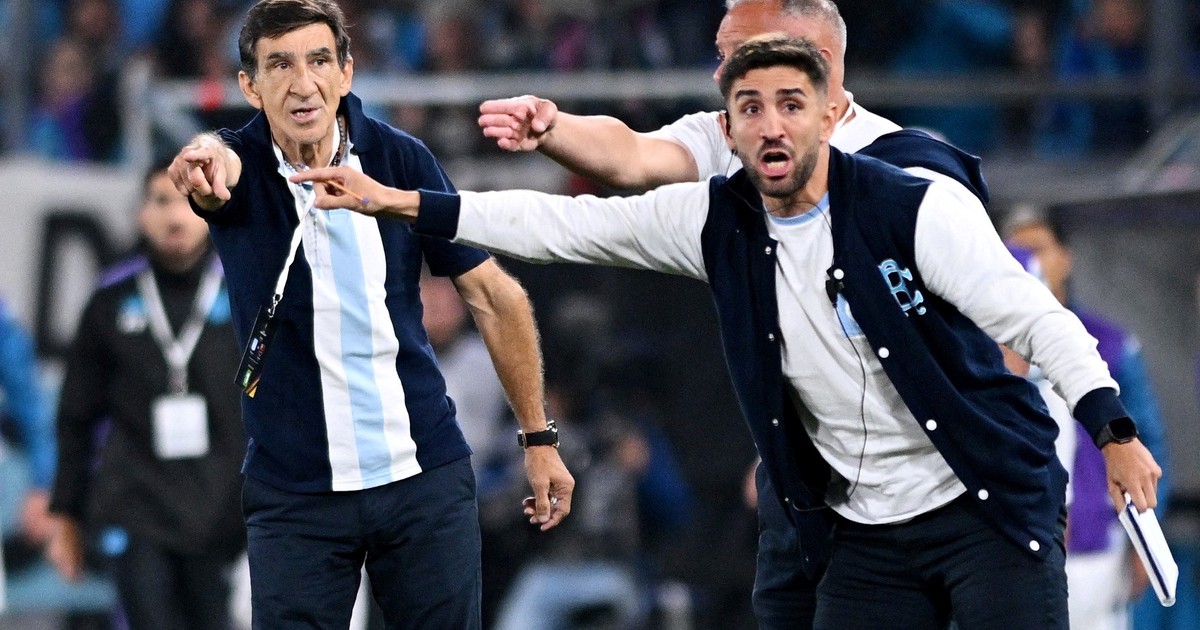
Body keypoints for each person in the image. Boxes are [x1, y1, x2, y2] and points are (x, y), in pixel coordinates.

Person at [292, 34, 1164, 629]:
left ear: (831, 116)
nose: (771, 123)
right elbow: (561, 225)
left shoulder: (916, 208)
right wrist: (403, 201)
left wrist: (1114, 430)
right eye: (750, 107)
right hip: (865, 530)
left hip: (983, 506)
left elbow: (1039, 320)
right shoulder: (711, 220)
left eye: (791, 103)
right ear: (729, 129)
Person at [475, 1, 988, 625]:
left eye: (738, 52)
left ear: (817, 62)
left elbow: (992, 327)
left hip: (927, 482)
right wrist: (555, 130)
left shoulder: (906, 170)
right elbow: (633, 154)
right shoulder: (730, 134)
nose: (720, 73)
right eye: (721, 56)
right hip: (802, 479)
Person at [165, 1, 574, 627]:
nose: (303, 83)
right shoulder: (235, 169)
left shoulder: (400, 160)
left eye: (318, 60)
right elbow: (216, 157)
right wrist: (202, 156)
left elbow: (496, 296)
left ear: (347, 71)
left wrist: (539, 439)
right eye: (280, 65)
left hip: (421, 476)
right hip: (295, 495)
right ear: (249, 85)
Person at [46, 158, 246, 630]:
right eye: (161, 201)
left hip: (227, 512)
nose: (175, 216)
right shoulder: (109, 302)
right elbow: (76, 416)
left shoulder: (245, 294)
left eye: (187, 202)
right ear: (140, 213)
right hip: (138, 509)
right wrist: (66, 513)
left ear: (211, 208)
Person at [1005, 210, 1171, 630]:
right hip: (1014, 541)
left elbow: (1146, 440)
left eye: (1037, 249)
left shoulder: (1108, 344)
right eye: (1015, 251)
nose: (1027, 262)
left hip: (1094, 541)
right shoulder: (980, 347)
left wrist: (1147, 536)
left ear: (1065, 257)